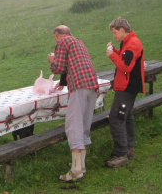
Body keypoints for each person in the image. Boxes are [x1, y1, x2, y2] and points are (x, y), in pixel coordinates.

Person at [47, 25, 99, 182]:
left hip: (79, 85)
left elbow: (59, 66)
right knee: (84, 124)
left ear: (58, 35)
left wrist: (52, 60)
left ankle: (76, 171)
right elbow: (74, 64)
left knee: (73, 125)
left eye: (55, 38)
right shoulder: (79, 42)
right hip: (92, 84)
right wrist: (63, 81)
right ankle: (80, 165)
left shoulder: (62, 42)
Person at [105, 17, 145, 168]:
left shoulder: (132, 44)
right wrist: (115, 51)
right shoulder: (127, 42)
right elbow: (124, 58)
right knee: (126, 117)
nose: (114, 36)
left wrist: (112, 55)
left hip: (127, 88)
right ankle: (128, 148)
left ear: (122, 30)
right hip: (128, 86)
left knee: (116, 118)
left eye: (115, 33)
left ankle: (121, 154)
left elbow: (126, 67)